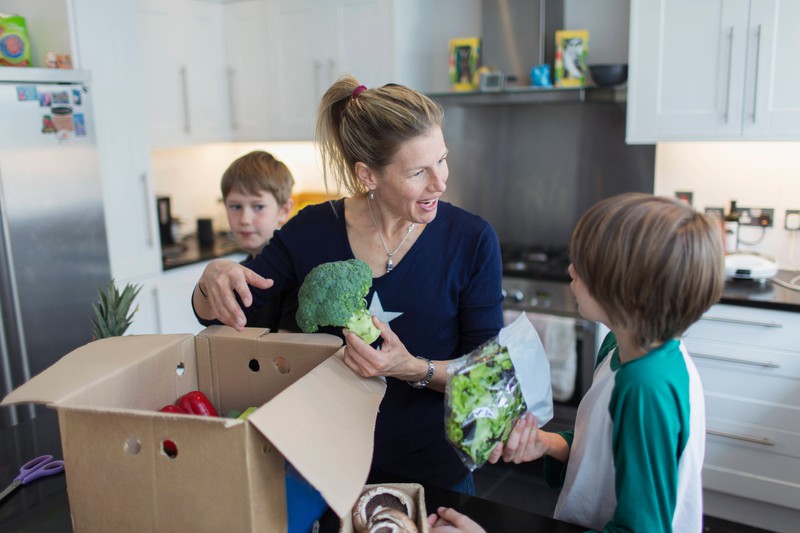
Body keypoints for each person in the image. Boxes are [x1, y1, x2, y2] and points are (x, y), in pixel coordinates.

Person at [192, 76, 504, 494]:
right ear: (368, 175)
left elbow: (490, 371)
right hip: (318, 472)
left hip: (433, 476)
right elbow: (232, 308)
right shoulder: (309, 231)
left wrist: (411, 368)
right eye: (418, 172)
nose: (440, 183)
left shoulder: (471, 239)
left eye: (442, 160)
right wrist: (210, 281)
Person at [428, 193, 725, 532]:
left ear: (628, 296)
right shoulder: (622, 345)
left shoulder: (645, 387)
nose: (571, 269)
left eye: (585, 266)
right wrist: (547, 443)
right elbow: (603, 447)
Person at [216, 150, 294, 331]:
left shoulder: (296, 278)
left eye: (258, 206)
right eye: (235, 206)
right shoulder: (239, 271)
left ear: (284, 210)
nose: (244, 219)